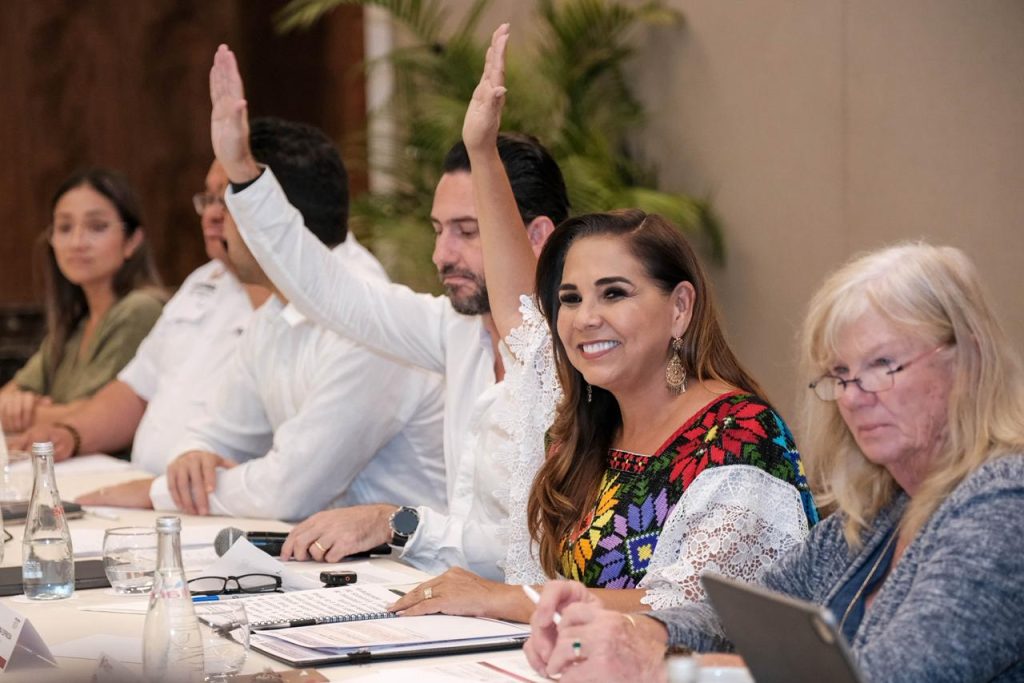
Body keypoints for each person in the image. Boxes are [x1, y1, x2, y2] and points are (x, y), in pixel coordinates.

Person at [390, 25, 816, 623]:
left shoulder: (738, 437)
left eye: (614, 293)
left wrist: (506, 599)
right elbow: (519, 315)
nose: (586, 318)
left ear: (680, 307)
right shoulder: (586, 418)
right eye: (569, 299)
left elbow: (696, 609)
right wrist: (481, 151)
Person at [525, 243, 1024, 682]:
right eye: (841, 374)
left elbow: (888, 676)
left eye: (882, 366)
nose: (854, 397)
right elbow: (737, 618)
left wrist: (661, 670)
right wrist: (630, 630)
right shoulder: (879, 511)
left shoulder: (1005, 504)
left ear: (968, 359)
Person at [207, 44, 570, 573]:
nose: (441, 255)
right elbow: (331, 292)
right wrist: (243, 173)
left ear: (537, 237)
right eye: (438, 230)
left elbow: (542, 553)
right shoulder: (456, 329)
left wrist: (397, 523)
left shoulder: (583, 354)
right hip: (452, 597)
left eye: (467, 232)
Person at [78, 116, 447, 522]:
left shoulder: (368, 321)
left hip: (406, 556)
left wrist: (161, 492)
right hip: (327, 547)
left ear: (274, 215)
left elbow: (289, 490)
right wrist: (193, 457)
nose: (213, 218)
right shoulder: (274, 308)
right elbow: (215, 431)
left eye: (227, 201)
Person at [14, 157, 267, 469]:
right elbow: (136, 389)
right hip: (148, 480)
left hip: (217, 487)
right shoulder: (202, 280)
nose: (213, 214)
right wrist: (71, 434)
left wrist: (41, 416)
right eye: (209, 199)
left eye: (227, 198)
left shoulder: (286, 293)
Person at [0, 168, 164, 435]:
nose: (77, 242)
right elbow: (6, 399)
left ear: (132, 241)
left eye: (97, 227)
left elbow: (96, 417)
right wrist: (21, 406)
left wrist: (30, 412)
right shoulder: (75, 324)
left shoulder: (140, 310)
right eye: (65, 227)